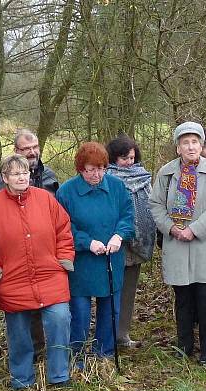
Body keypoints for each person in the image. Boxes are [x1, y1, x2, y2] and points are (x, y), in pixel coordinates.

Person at [0, 154, 75, 389]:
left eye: (25, 173)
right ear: (4, 178)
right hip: (12, 279)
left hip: (50, 274)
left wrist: (63, 259)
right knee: (19, 333)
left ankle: (59, 374)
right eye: (15, 173)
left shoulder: (46, 199)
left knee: (59, 321)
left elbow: (64, 230)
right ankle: (22, 379)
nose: (22, 177)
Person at [149, 122, 206, 367]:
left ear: (201, 144)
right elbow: (155, 205)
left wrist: (194, 230)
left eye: (195, 141)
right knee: (183, 299)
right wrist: (171, 228)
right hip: (177, 244)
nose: (191, 146)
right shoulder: (165, 173)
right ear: (178, 148)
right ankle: (184, 346)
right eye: (185, 142)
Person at [57, 143, 134, 365]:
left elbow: (127, 216)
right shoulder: (67, 192)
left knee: (110, 309)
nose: (97, 174)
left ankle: (105, 353)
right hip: (82, 262)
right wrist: (87, 242)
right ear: (80, 169)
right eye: (91, 169)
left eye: (101, 169)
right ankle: (78, 355)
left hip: (111, 258)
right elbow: (63, 226)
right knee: (80, 312)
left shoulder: (117, 187)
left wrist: (119, 235)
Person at [0, 129, 59, 357]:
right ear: (16, 151)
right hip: (15, 258)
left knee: (52, 307)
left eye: (34, 146)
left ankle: (50, 350)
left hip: (46, 255)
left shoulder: (50, 177)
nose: (32, 152)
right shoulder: (0, 183)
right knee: (23, 310)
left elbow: (61, 218)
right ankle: (33, 350)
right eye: (26, 149)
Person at [105, 135, 155, 349]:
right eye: (124, 158)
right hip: (114, 243)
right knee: (110, 290)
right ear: (114, 158)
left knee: (128, 291)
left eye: (132, 157)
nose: (129, 162)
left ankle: (122, 335)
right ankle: (107, 334)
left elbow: (152, 205)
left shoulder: (144, 177)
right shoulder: (106, 177)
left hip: (138, 244)